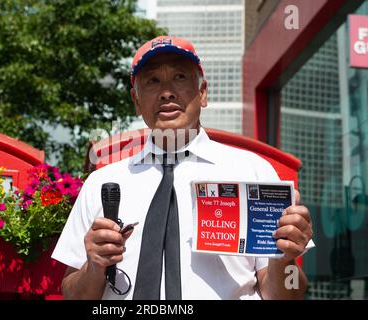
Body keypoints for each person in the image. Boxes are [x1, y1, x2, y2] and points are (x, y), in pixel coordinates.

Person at [51, 36, 314, 300]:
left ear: (202, 93)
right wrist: (95, 266)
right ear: (136, 101)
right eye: (152, 81)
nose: (166, 91)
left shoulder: (253, 172)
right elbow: (72, 294)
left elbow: (285, 295)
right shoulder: (100, 182)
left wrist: (285, 259)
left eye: (179, 77)